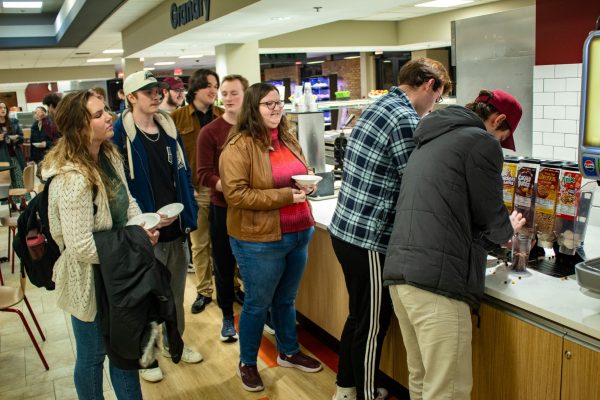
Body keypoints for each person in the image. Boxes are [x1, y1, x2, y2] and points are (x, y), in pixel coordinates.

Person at [383, 89, 526, 400]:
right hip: (437, 283)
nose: (499, 143)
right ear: (498, 119)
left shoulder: (433, 136)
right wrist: (508, 229)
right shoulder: (481, 141)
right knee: (448, 391)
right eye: (503, 136)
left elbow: (454, 209)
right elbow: (489, 212)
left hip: (401, 276)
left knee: (421, 383)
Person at [328, 58, 452, 400]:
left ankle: (345, 389)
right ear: (429, 85)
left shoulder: (382, 102)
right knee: (371, 324)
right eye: (437, 97)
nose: (434, 106)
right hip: (368, 237)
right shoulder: (405, 118)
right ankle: (366, 394)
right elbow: (416, 181)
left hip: (347, 229)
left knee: (358, 317)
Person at [42, 90, 159, 399]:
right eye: (97, 115)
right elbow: (79, 246)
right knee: (93, 357)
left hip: (119, 275)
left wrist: (142, 227)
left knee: (124, 354)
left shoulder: (108, 155)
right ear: (77, 127)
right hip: (89, 280)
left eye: (105, 110)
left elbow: (128, 201)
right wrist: (134, 246)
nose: (109, 116)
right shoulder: (72, 179)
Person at [219, 82, 323, 393]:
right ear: (253, 108)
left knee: (286, 300)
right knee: (256, 303)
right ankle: (248, 362)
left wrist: (309, 184)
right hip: (259, 240)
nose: (276, 109)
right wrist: (284, 196)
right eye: (268, 104)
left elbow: (304, 169)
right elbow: (236, 195)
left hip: (298, 232)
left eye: (278, 103)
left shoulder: (288, 138)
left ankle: (288, 351)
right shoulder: (238, 147)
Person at [113, 70, 201, 383]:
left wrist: (186, 208)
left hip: (174, 226)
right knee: (147, 298)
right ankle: (147, 356)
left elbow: (183, 172)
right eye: (148, 91)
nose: (156, 95)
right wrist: (142, 220)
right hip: (142, 232)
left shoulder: (168, 128)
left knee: (175, 294)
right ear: (130, 96)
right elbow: (116, 188)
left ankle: (173, 342)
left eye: (157, 90)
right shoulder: (118, 135)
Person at [197, 74, 248, 343]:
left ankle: (261, 314)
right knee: (225, 264)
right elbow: (204, 173)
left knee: (254, 266)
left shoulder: (255, 128)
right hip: (223, 209)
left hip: (253, 210)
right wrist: (228, 188)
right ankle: (227, 316)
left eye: (233, 93)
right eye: (224, 93)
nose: (227, 98)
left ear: (246, 95)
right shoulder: (210, 132)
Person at [172, 69, 225, 314]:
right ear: (195, 89)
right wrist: (184, 189)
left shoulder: (223, 116)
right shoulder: (176, 118)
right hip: (196, 190)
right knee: (200, 244)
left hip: (223, 188)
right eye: (209, 86)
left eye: (216, 85)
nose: (214, 90)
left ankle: (231, 286)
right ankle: (204, 291)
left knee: (225, 241)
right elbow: (173, 159)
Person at [0, 102, 26, 190]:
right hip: (2, 157)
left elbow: (22, 137)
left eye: (4, 108)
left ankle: (23, 201)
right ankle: (12, 203)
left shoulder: (13, 122)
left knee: (19, 179)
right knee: (7, 182)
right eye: (0, 108)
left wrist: (17, 138)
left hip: (15, 155)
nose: (3, 110)